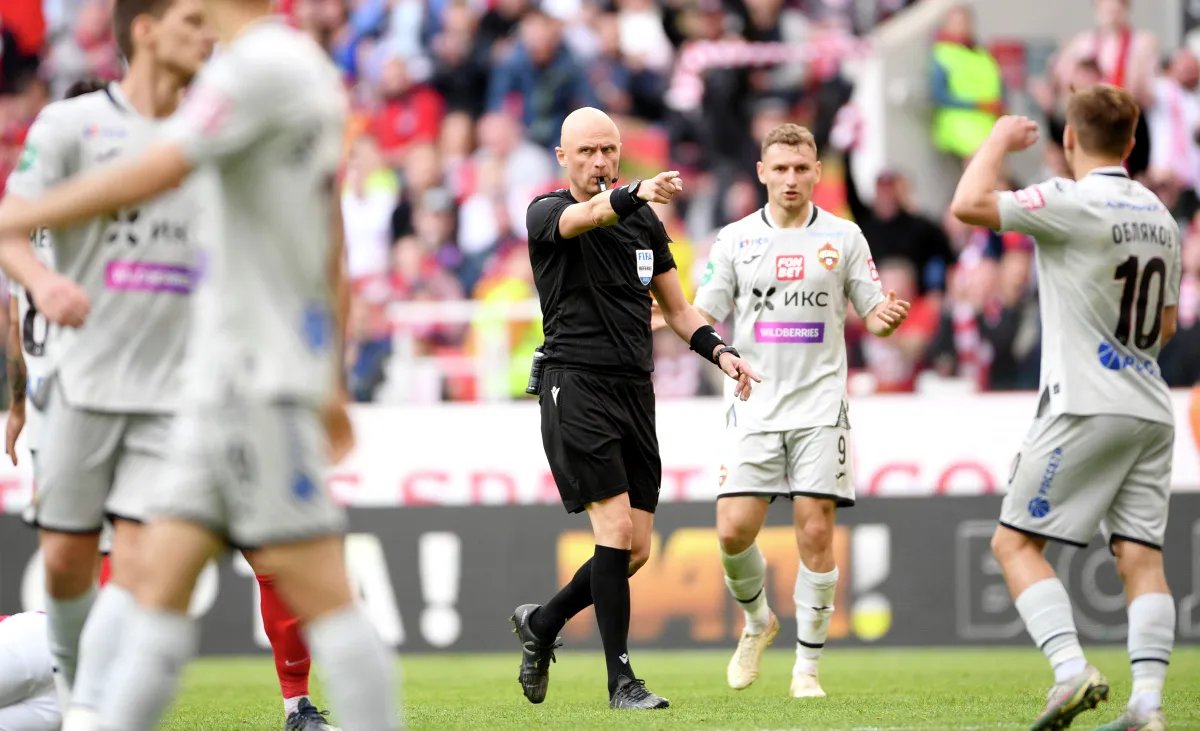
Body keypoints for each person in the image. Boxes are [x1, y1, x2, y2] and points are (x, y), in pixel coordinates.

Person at [0, 0, 399, 729]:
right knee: (149, 587)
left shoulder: (261, 68)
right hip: (212, 384)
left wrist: (21, 215)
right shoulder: (274, 66)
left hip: (258, 379)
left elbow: (155, 164)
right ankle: (92, 715)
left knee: (318, 591)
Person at [511, 106, 760, 710]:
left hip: (634, 390)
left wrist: (720, 352)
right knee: (615, 531)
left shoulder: (644, 222)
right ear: (563, 158)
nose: (600, 161)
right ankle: (622, 681)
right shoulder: (547, 212)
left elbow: (677, 310)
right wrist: (636, 191)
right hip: (576, 385)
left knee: (636, 549)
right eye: (588, 151)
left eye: (609, 150)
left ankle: (542, 625)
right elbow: (592, 213)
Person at [950, 86, 1181, 731]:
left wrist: (997, 139)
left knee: (1014, 542)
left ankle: (1069, 670)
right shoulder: (1162, 216)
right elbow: (1164, 326)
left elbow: (967, 204)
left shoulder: (1067, 198)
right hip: (1150, 405)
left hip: (1084, 401)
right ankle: (1147, 708)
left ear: (1070, 141)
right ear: (1133, 143)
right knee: (1140, 558)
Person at [687, 123, 908, 697]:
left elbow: (871, 307)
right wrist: (661, 316)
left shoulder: (845, 237)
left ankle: (806, 668)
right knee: (732, 531)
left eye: (800, 168)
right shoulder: (734, 239)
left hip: (819, 406)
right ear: (762, 172)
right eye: (779, 168)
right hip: (754, 402)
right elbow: (702, 312)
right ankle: (758, 621)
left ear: (815, 173)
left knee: (815, 531)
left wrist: (883, 317)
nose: (790, 179)